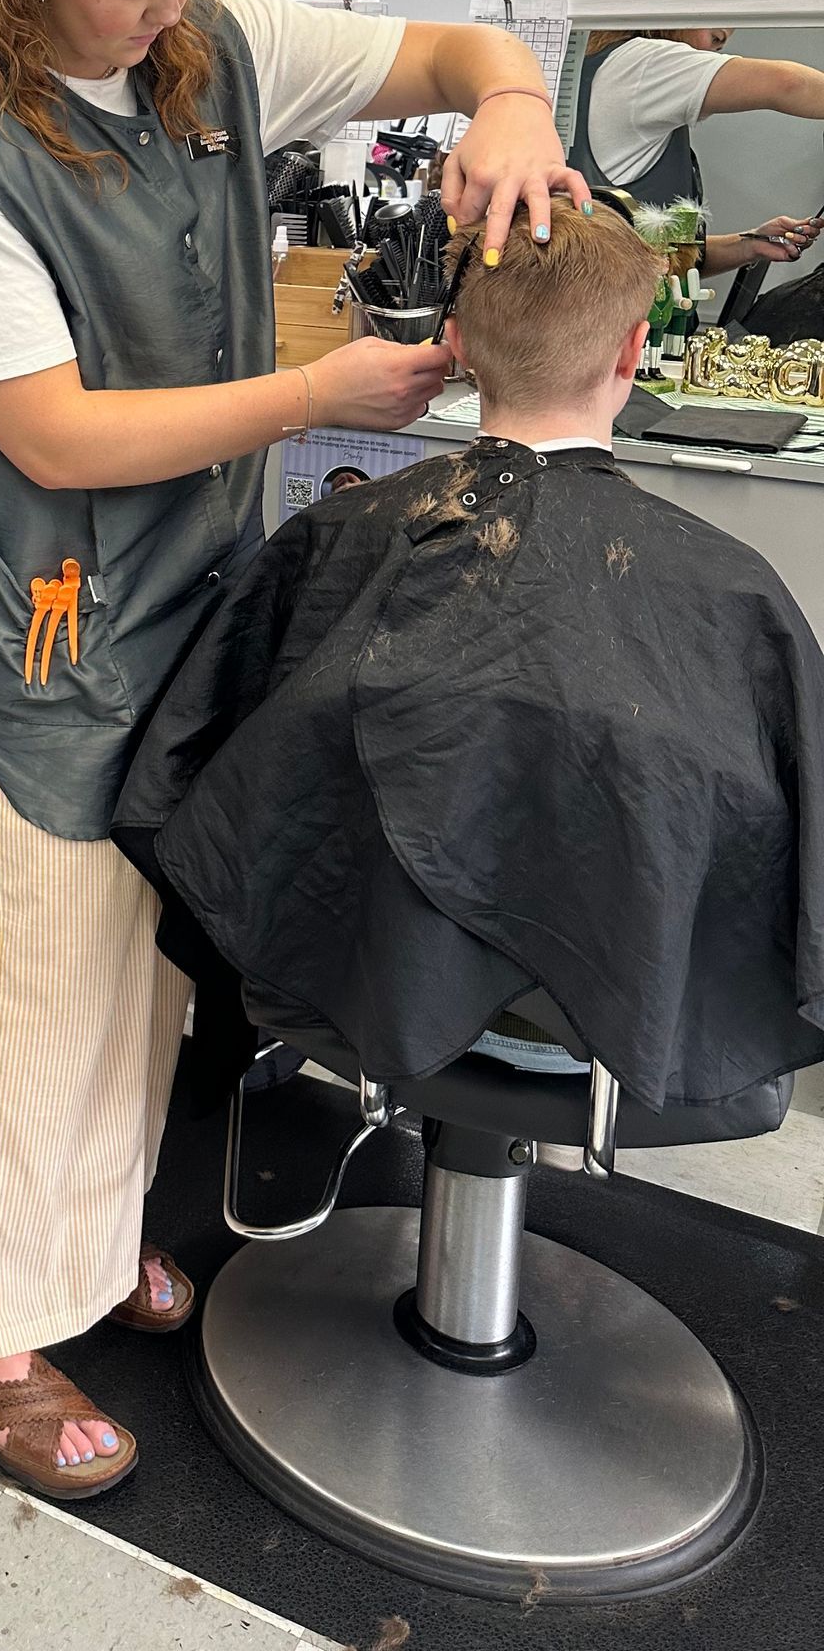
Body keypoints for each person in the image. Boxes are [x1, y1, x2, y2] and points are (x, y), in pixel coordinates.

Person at [0, 0, 591, 1499]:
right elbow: (52, 432)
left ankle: (86, 1257)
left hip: (190, 608)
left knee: (149, 989)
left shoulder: (211, 48)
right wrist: (314, 394)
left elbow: (461, 49)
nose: (170, 11)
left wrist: (512, 102)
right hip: (45, 633)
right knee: (38, 987)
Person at [114, 199, 824, 1110]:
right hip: (619, 1028)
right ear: (631, 350)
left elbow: (186, 787)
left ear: (456, 344)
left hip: (358, 986)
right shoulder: (735, 590)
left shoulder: (336, 536)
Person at [567, 26, 824, 273]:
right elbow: (788, 84)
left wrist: (749, 244)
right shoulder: (644, 64)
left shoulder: (606, 66)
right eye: (714, 40)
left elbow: (664, 262)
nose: (710, 57)